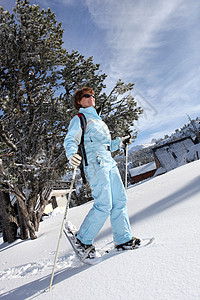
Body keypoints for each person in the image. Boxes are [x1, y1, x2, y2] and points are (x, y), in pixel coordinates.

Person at [64, 87, 140, 255]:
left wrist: (120, 141)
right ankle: (83, 240)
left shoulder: (99, 121)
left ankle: (123, 239)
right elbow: (71, 139)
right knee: (104, 204)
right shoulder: (80, 118)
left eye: (92, 95)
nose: (91, 97)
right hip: (95, 163)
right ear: (79, 101)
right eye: (86, 96)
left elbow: (107, 145)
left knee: (119, 200)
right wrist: (71, 155)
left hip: (108, 161)